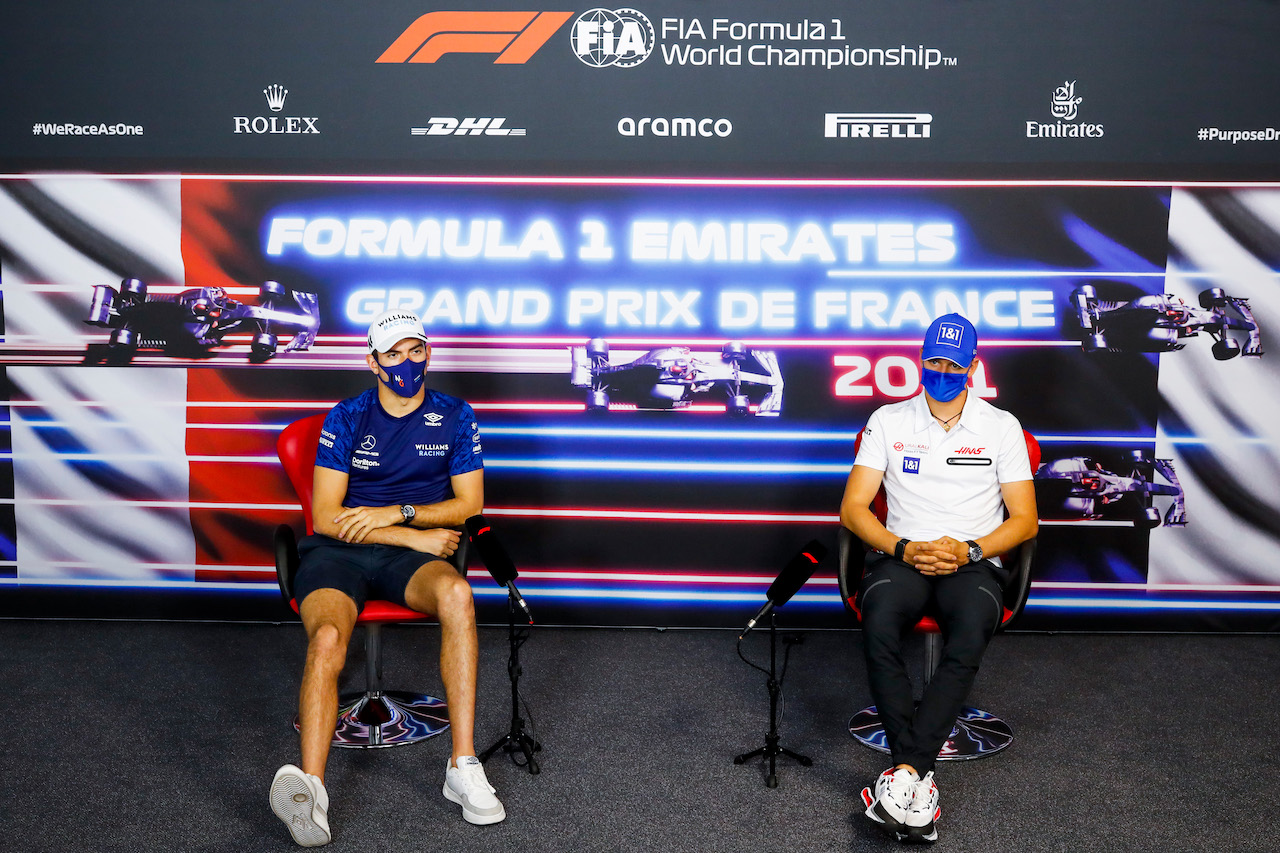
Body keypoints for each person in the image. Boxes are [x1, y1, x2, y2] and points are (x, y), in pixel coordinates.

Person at [269, 310, 504, 847]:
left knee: (459, 594)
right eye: (392, 354)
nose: (405, 363)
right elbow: (327, 517)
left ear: (427, 353)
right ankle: (312, 790)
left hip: (404, 552)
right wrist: (410, 534)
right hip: (339, 551)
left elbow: (470, 504)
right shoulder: (347, 416)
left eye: (414, 350)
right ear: (372, 361)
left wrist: (395, 515)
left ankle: (462, 767)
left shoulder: (455, 415)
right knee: (327, 639)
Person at [839, 313, 1037, 844]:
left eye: (954, 363)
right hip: (900, 557)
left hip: (970, 562)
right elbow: (854, 510)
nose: (942, 371)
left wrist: (968, 548)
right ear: (920, 360)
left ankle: (904, 769)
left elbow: (1024, 520)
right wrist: (903, 547)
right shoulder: (888, 420)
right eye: (933, 361)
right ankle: (914, 777)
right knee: (878, 620)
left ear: (973, 365)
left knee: (970, 626)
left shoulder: (1002, 427)